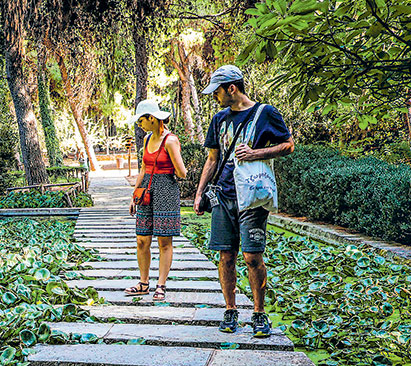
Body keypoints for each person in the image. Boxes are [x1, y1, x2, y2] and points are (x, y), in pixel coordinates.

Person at [193, 65, 294, 337]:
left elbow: (288, 145)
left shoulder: (266, 113)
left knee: (252, 256)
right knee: (226, 255)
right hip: (224, 195)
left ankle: (259, 314)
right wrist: (200, 192)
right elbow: (213, 158)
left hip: (252, 196)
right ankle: (230, 310)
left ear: (232, 89)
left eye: (218, 92)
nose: (215, 97)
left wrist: (256, 153)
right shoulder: (219, 119)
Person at [126, 99, 188, 301]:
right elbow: (143, 169)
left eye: (141, 121)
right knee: (142, 239)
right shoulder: (146, 139)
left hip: (166, 191)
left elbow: (182, 172)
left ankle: (161, 285)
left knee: (164, 240)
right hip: (146, 192)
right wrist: (134, 195)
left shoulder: (170, 140)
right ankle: (143, 283)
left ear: (151, 118)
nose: (139, 125)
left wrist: (169, 167)